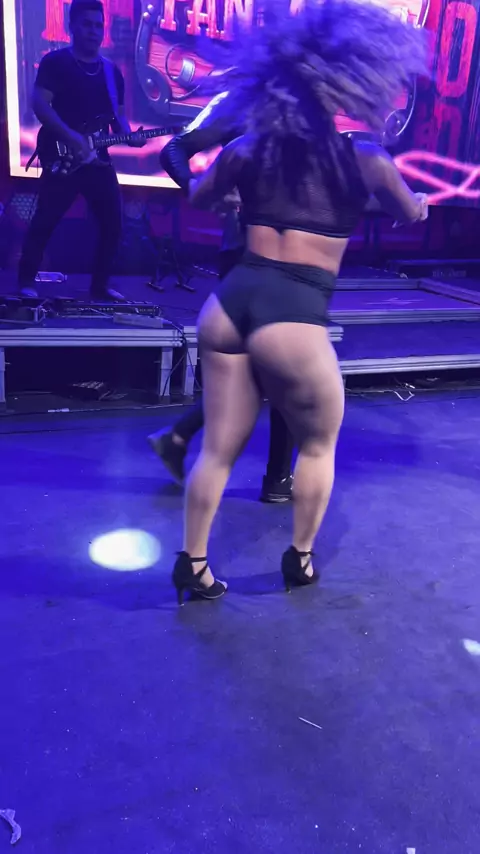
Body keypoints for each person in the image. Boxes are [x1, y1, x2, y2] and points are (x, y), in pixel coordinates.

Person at [171, 0, 429, 603]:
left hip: (229, 304)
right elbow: (408, 210)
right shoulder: (366, 158)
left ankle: (193, 563)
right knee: (317, 443)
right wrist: (418, 206)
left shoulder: (247, 149)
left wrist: (229, 199)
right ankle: (301, 560)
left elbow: (201, 196)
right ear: (350, 82)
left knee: (218, 448)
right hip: (293, 312)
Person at [148, 95, 295, 503]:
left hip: (287, 257)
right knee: (285, 367)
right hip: (249, 253)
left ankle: (179, 439)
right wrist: (199, 188)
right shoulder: (240, 103)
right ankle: (277, 479)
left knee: (264, 369)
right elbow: (174, 149)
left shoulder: (305, 107)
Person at [18, 0, 145, 302]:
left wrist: (131, 137)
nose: (93, 31)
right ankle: (25, 281)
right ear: (71, 26)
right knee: (46, 219)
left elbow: (118, 118)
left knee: (113, 224)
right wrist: (71, 137)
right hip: (62, 155)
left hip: (97, 161)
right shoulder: (56, 62)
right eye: (87, 24)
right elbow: (40, 104)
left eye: (98, 25)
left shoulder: (112, 73)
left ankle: (100, 286)